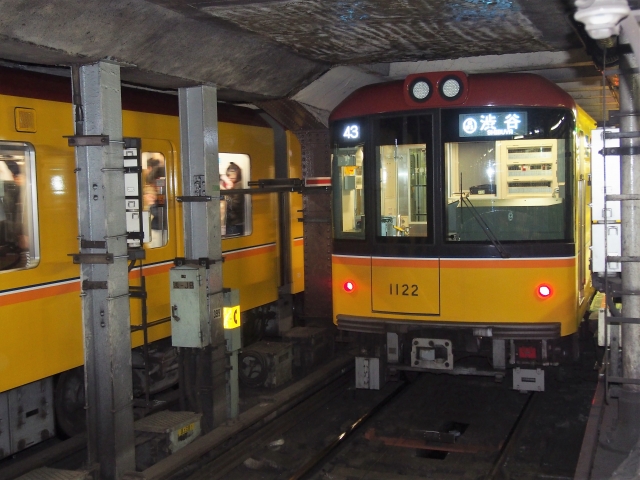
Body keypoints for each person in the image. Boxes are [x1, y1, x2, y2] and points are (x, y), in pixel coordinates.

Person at [222, 162, 244, 236]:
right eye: (230, 173)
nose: (232, 175)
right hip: (232, 222)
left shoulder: (239, 185)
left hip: (236, 223)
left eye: (234, 172)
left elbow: (235, 204)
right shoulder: (233, 185)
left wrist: (226, 194)